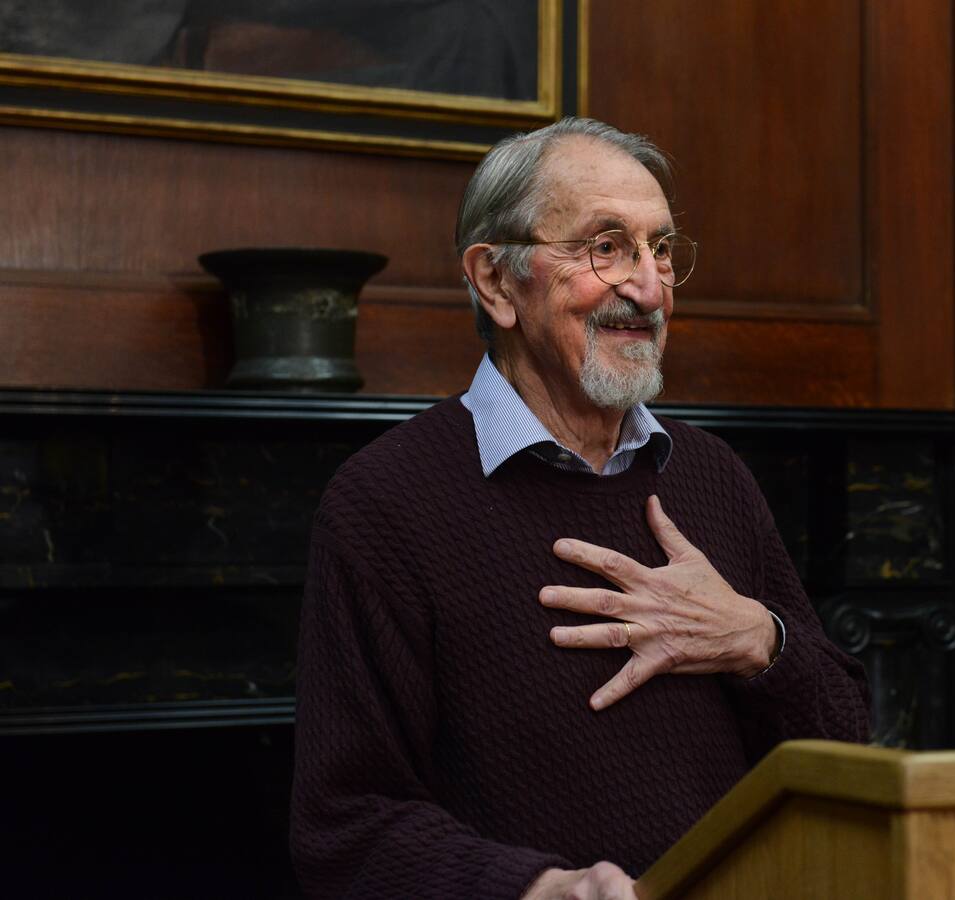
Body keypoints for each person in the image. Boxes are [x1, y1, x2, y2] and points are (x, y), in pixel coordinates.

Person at [290, 116, 870, 900]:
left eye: (661, 249)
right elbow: (346, 826)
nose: (649, 287)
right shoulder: (385, 502)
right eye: (606, 246)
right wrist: (536, 889)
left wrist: (758, 639)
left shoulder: (712, 477)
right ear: (497, 281)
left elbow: (850, 744)